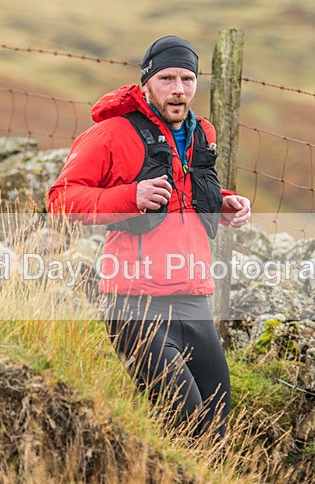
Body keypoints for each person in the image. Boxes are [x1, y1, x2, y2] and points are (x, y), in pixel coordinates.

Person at [47, 35, 251, 440]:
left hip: (193, 301)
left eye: (187, 79)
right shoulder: (110, 134)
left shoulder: (200, 132)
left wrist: (224, 202)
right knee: (187, 424)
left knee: (216, 428)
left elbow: (182, 191)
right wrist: (129, 197)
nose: (179, 90)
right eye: (167, 78)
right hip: (134, 304)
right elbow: (60, 199)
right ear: (146, 83)